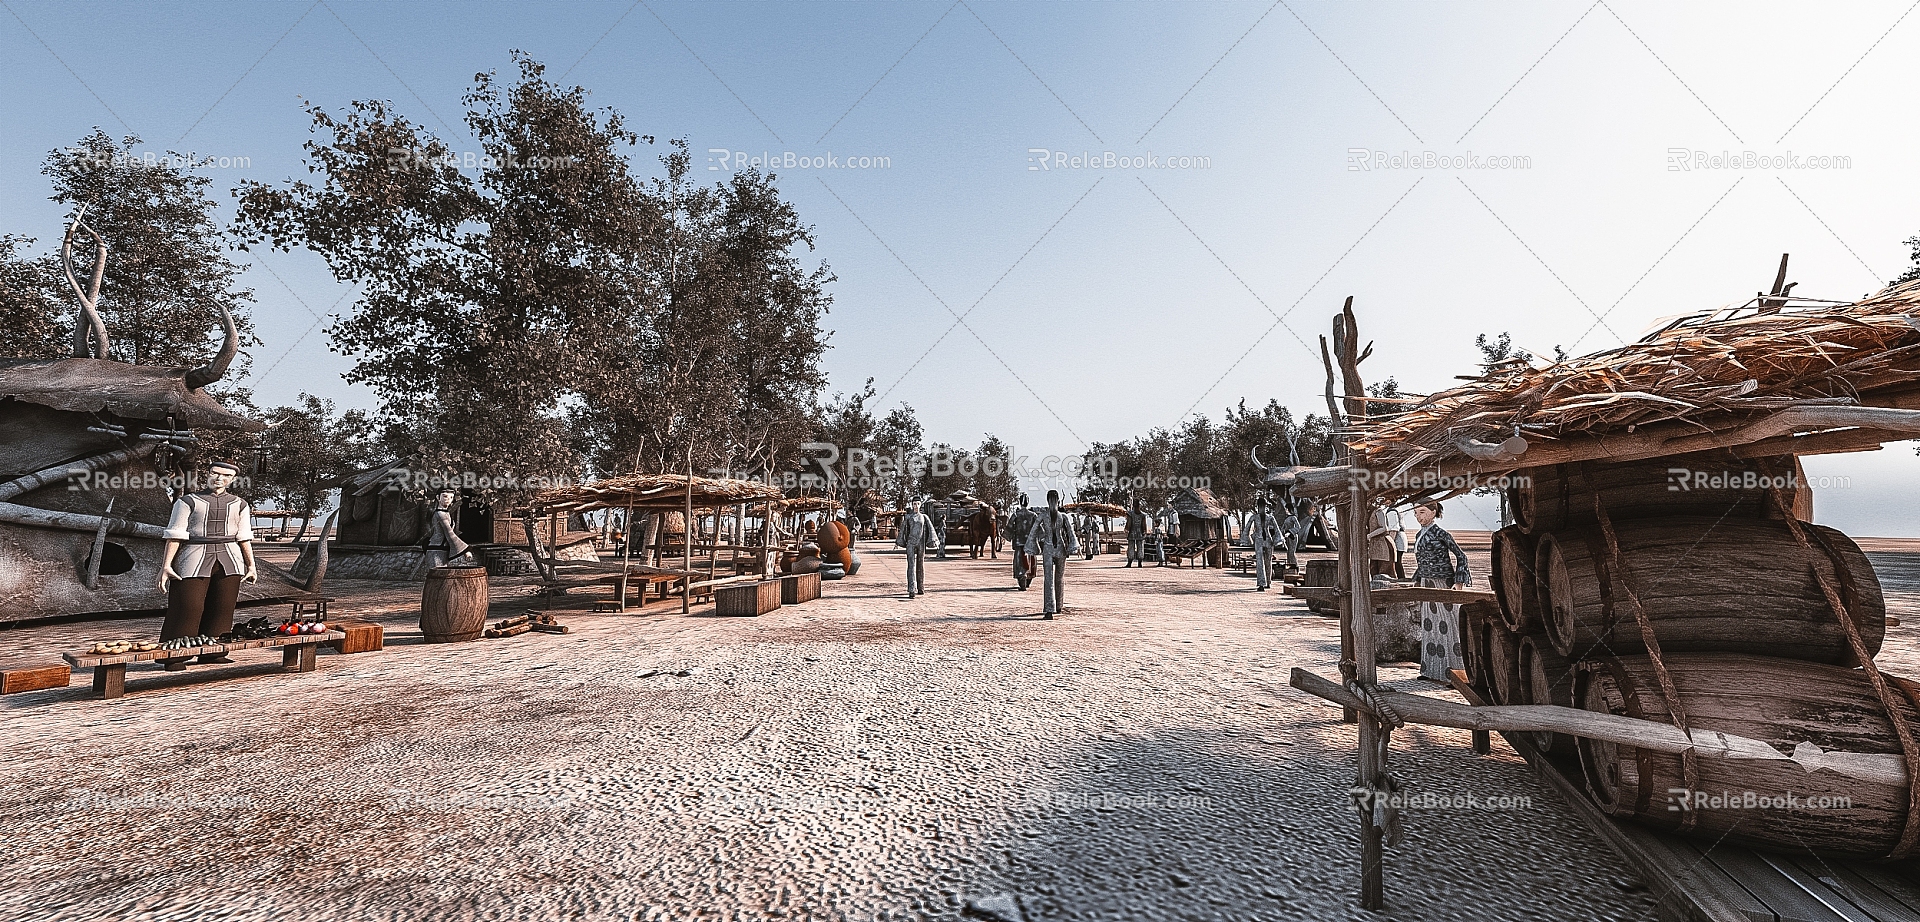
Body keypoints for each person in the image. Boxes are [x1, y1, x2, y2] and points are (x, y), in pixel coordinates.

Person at [156, 461, 258, 668]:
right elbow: (175, 535)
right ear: (208, 474)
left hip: (231, 558)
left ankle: (214, 652)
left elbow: (244, 537)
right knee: (188, 605)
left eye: (225, 475)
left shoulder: (240, 504)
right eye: (215, 473)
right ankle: (175, 656)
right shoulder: (187, 502)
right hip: (193, 556)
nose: (219, 478)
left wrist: (251, 565)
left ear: (232, 480)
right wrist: (166, 566)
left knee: (223, 606)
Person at [1411, 499, 1471, 680]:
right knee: (1429, 627)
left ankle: (1455, 674)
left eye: (1421, 512)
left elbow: (1462, 556)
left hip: (1443, 584)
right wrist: (1417, 580)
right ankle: (1430, 671)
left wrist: (1459, 582)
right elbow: (1421, 562)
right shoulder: (1418, 536)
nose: (1417, 516)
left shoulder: (1441, 533)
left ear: (1432, 512)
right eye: (1415, 513)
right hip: (1426, 584)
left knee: (1448, 627)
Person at [1025, 490, 1078, 618]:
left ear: (1048, 501)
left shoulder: (1042, 516)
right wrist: (1073, 547)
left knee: (1048, 579)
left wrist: (1032, 547)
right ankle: (1059, 606)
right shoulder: (1063, 517)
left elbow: (1033, 533)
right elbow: (1071, 534)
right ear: (1058, 500)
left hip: (1048, 549)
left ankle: (1050, 610)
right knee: (1059, 578)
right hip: (1061, 549)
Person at [896, 500, 938, 599]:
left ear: (920, 505)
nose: (916, 506)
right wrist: (899, 540)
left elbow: (931, 529)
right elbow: (902, 529)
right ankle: (911, 589)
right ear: (912, 505)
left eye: (918, 504)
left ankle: (921, 587)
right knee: (911, 565)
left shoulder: (924, 517)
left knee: (921, 565)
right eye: (914, 504)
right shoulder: (908, 517)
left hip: (921, 543)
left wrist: (933, 540)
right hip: (910, 543)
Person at [421, 489, 472, 570]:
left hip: (442, 549)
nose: (448, 499)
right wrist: (465, 550)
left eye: (451, 497)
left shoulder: (446, 513)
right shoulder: (440, 514)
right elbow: (449, 533)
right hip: (436, 550)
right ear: (438, 497)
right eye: (445, 496)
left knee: (441, 578)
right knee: (437, 577)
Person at [1250, 493, 1282, 591]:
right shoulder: (1270, 517)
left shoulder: (1254, 517)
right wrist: (1277, 540)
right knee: (1268, 562)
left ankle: (1262, 584)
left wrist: (1248, 539)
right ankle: (1268, 582)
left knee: (1260, 562)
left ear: (1257, 506)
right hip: (1268, 540)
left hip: (1259, 541)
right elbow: (1277, 530)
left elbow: (1247, 529)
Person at [1005, 495, 1037, 589]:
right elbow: (1038, 529)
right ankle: (1028, 580)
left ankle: (1022, 578)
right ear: (1028, 502)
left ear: (1020, 502)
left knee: (1019, 562)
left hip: (1019, 543)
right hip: (1030, 543)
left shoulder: (1016, 515)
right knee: (1031, 561)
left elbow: (1009, 527)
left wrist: (1007, 536)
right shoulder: (1033, 515)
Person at [1366, 502, 1397, 578]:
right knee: (1373, 570)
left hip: (1384, 543)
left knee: (1385, 570)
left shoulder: (1378, 511)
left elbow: (1383, 528)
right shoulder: (1366, 512)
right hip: (1374, 545)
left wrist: (1369, 535)